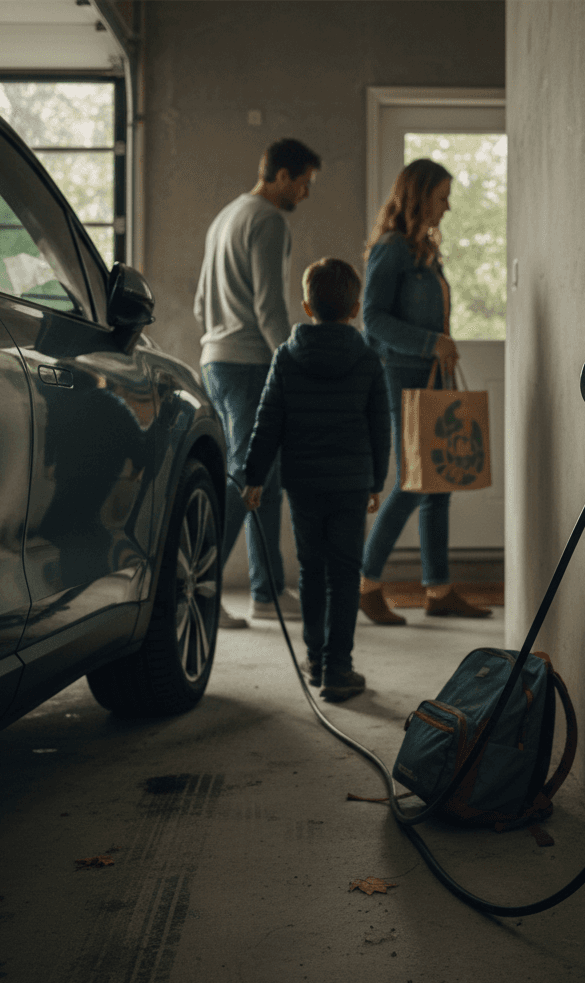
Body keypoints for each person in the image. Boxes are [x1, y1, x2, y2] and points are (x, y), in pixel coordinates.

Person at [240, 258, 390, 702]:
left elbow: (268, 420)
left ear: (307, 307)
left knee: (311, 570)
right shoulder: (367, 359)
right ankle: (339, 668)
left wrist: (254, 476)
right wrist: (376, 481)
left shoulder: (287, 356)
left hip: (303, 483)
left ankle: (315, 660)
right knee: (344, 574)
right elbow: (380, 427)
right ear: (356, 309)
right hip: (350, 484)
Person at [194, 137, 321, 629]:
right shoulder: (268, 220)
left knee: (263, 479)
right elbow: (270, 308)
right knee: (248, 476)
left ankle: (267, 593)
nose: (306, 194)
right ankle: (198, 591)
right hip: (248, 364)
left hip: (217, 361)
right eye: (304, 183)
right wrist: (292, 364)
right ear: (282, 176)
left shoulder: (226, 216)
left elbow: (202, 303)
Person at [358, 158, 492, 625]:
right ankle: (366, 583)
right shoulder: (392, 249)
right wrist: (430, 342)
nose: (448, 207)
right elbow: (372, 319)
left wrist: (438, 347)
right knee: (415, 481)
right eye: (442, 197)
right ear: (419, 197)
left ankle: (438, 590)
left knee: (439, 483)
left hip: (432, 375)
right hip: (404, 375)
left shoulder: (424, 250)